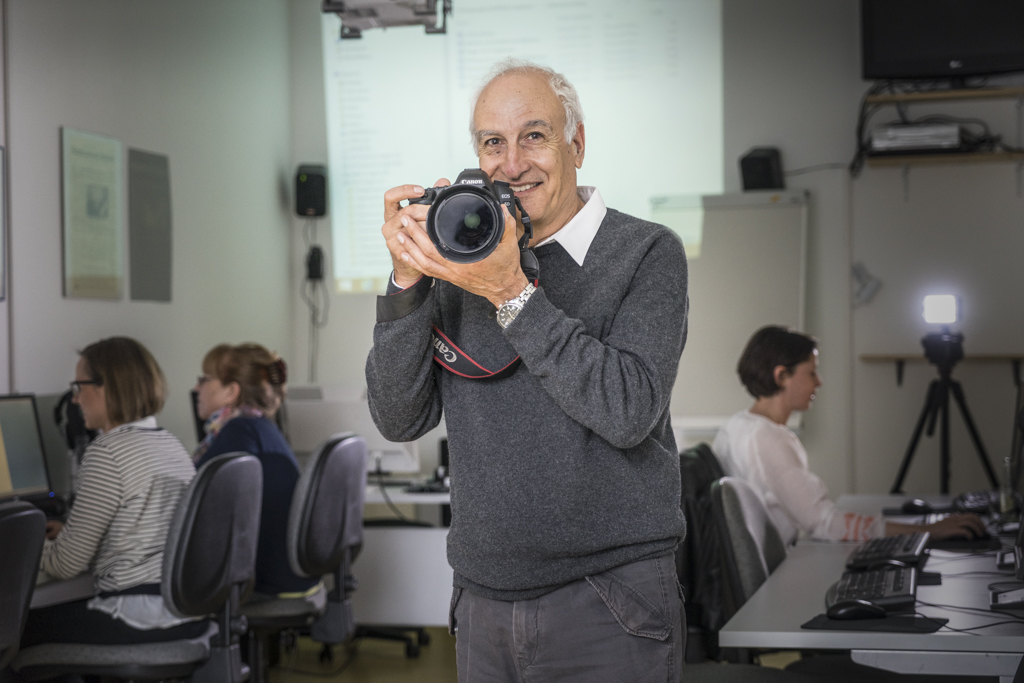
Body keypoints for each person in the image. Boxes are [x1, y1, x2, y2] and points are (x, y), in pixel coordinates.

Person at [366, 59, 689, 682]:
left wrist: (511, 291)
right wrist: (407, 279)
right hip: (482, 598)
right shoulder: (460, 255)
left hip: (610, 598)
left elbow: (628, 412)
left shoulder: (647, 251)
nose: (511, 164)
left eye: (533, 136)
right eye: (493, 142)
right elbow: (399, 418)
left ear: (578, 143)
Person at [713, 325, 987, 545]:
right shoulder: (767, 439)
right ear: (781, 375)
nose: (819, 382)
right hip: (784, 571)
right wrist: (929, 530)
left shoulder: (735, 426)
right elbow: (824, 523)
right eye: (812, 372)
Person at [21, 337, 205, 646]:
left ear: (108, 387)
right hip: (183, 612)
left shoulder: (107, 451)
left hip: (135, 614)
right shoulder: (171, 444)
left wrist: (25, 544)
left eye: (78, 388)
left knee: (13, 633)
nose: (75, 400)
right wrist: (74, 534)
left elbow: (66, 564)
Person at [192, 343, 318, 598]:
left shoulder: (236, 433)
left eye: (204, 380)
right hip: (290, 574)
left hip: (264, 581)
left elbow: (194, 509)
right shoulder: (260, 429)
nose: (197, 388)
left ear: (231, 391)